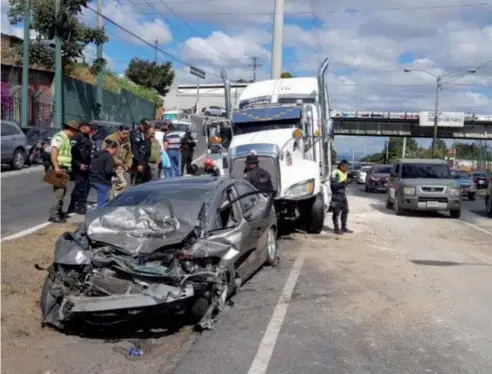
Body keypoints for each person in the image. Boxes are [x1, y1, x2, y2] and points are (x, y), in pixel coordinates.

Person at [48, 120, 79, 223]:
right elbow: (54, 151)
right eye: (74, 131)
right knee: (59, 192)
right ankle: (54, 214)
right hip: (59, 167)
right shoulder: (59, 137)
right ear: (70, 129)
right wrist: (56, 167)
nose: (74, 134)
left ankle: (59, 212)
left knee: (62, 190)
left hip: (63, 168)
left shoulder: (66, 138)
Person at [68, 122, 94, 215]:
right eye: (90, 127)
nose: (91, 129)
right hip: (78, 166)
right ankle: (76, 206)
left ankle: (81, 204)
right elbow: (72, 153)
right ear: (83, 127)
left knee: (86, 185)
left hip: (86, 165)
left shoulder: (86, 137)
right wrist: (79, 165)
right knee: (80, 187)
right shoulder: (77, 136)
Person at [102, 125, 132, 195]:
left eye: (127, 133)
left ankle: (115, 199)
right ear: (119, 131)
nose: (126, 135)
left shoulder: (127, 140)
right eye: (124, 133)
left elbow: (129, 154)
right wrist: (118, 162)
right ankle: (110, 201)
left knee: (123, 185)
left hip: (121, 167)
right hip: (111, 165)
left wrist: (128, 165)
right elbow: (105, 153)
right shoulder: (110, 138)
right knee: (112, 185)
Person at [90, 139, 118, 208]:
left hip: (92, 178)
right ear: (113, 148)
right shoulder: (109, 157)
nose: (115, 152)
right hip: (101, 181)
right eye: (116, 150)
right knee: (103, 203)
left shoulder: (97, 154)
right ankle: (99, 215)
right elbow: (108, 171)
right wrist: (115, 172)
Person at [330, 159, 353, 235]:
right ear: (341, 166)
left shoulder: (345, 172)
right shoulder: (335, 172)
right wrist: (344, 182)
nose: (347, 168)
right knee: (336, 212)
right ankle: (336, 229)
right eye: (346, 167)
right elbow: (334, 185)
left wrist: (350, 179)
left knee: (345, 210)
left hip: (343, 195)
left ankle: (343, 227)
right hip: (336, 195)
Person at [130, 118, 152, 185]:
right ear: (141, 125)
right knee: (139, 181)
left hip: (144, 161)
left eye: (147, 127)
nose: (146, 129)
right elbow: (135, 150)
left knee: (148, 179)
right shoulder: (136, 134)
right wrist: (139, 163)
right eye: (145, 127)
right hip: (139, 161)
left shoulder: (143, 134)